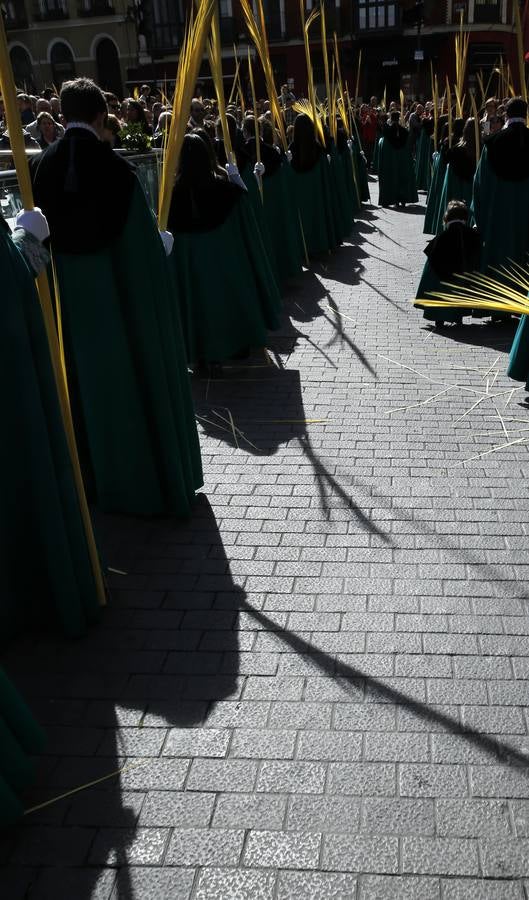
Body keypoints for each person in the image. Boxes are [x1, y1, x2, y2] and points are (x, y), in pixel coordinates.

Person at [31, 77, 202, 517]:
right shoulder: (117, 170)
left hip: (71, 302)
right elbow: (139, 247)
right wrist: (159, 246)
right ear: (102, 115)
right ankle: (144, 478)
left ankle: (92, 481)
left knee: (84, 388)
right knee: (131, 383)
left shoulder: (42, 167)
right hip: (119, 300)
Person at [168, 132, 281, 367]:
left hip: (193, 272)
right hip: (227, 267)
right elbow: (250, 236)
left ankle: (200, 350)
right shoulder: (230, 194)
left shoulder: (170, 199)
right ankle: (237, 343)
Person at [472, 97, 529, 276]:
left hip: (499, 210)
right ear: (525, 115)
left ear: (506, 114)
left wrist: (479, 217)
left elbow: (479, 183)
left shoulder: (492, 143)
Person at [414, 200, 481, 327]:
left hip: (441, 277)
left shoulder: (441, 237)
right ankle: (458, 316)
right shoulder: (471, 234)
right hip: (462, 276)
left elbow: (431, 259)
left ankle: (439, 318)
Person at [289, 113, 338, 255]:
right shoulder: (318, 149)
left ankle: (303, 249)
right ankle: (320, 244)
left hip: (300, 196)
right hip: (316, 194)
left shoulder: (291, 150)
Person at [435, 117, 479, 234]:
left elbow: (445, 160)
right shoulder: (481, 148)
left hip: (457, 184)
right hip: (471, 184)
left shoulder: (456, 149)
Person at [377, 110, 418, 208]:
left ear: (391, 119)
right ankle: (402, 199)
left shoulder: (386, 133)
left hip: (390, 161)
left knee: (391, 178)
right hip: (402, 161)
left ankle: (392, 199)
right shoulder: (404, 132)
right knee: (401, 178)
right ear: (399, 119)